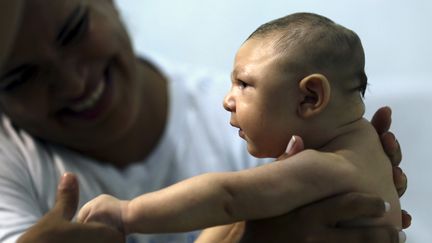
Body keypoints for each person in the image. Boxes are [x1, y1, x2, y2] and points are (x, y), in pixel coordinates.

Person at [0, 1, 409, 243]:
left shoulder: (303, 149)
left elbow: (228, 196)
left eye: (73, 31)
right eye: (20, 76)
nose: (227, 101)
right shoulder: (348, 147)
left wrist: (127, 214)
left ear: (310, 97)